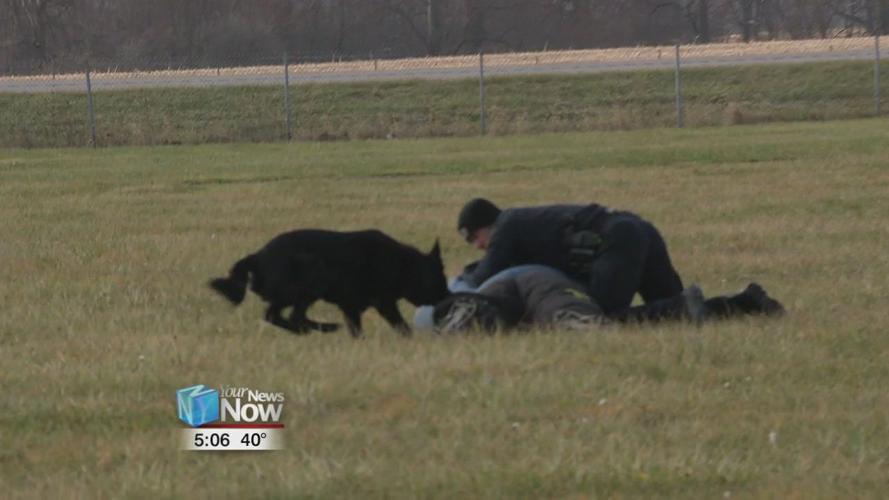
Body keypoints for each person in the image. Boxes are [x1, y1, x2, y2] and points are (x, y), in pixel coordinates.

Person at [456, 198, 686, 317]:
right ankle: (704, 305)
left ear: (489, 224)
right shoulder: (519, 223)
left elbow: (482, 278)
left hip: (617, 238)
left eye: (475, 237)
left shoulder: (506, 227)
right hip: (635, 227)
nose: (478, 246)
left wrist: (462, 278)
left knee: (601, 314)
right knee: (680, 311)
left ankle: (691, 304)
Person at [430, 265, 784, 334]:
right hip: (528, 292)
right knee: (625, 322)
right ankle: (742, 302)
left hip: (540, 287)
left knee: (573, 320)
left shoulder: (487, 285)